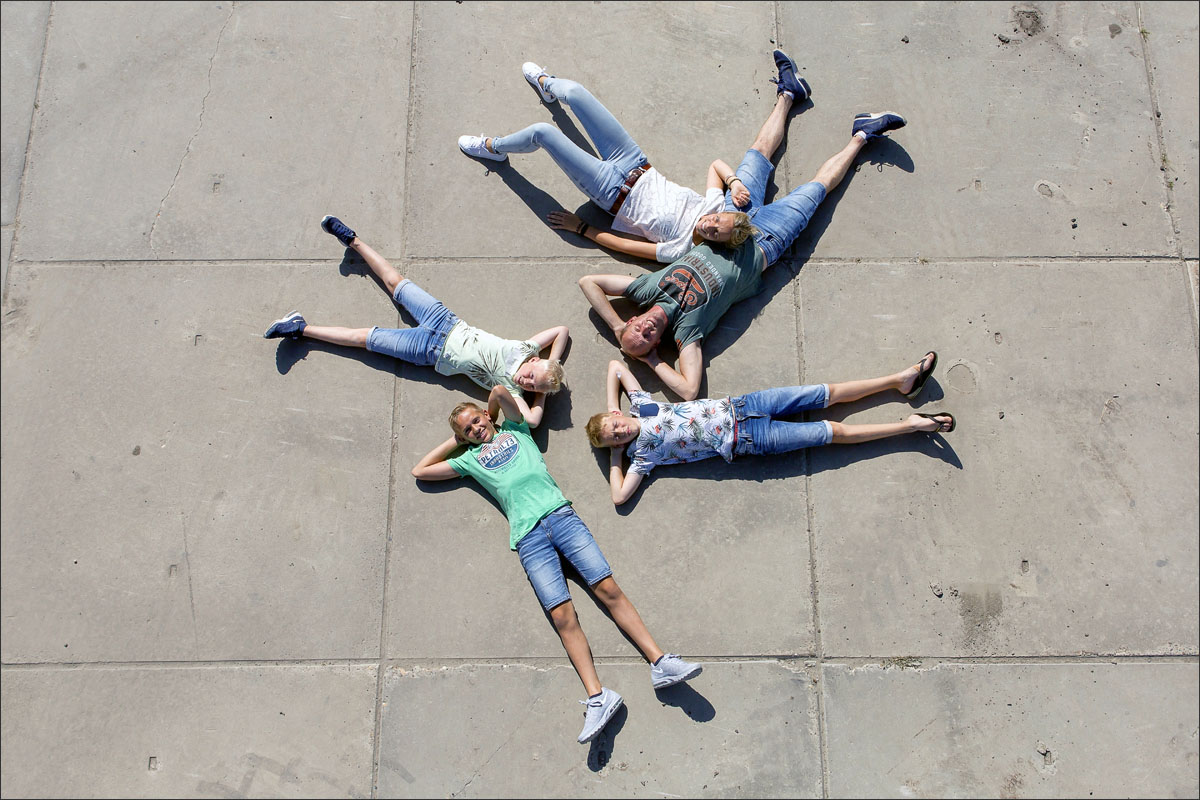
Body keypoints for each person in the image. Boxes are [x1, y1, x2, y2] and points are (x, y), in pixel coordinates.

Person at [412, 384, 703, 744]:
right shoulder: (468, 460)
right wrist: (456, 440)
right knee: (562, 616)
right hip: (528, 538)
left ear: (486, 416)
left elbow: (501, 391)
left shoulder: (516, 429)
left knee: (607, 588)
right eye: (467, 431)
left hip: (561, 516)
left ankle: (661, 663)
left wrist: (489, 415)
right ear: (463, 439)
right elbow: (420, 471)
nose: (475, 430)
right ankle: (598, 697)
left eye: (476, 421)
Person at [456, 51, 904, 271]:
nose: (709, 225)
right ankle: (550, 85)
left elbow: (630, 247)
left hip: (610, 192)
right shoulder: (714, 210)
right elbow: (714, 166)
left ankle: (493, 148)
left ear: (715, 243)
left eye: (713, 230)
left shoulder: (683, 250)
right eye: (717, 222)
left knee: (543, 134)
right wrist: (731, 181)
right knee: (575, 93)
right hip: (634, 160)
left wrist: (585, 229)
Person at [264, 216, 568, 426]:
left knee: (364, 339)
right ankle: (352, 240)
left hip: (428, 352)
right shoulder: (524, 349)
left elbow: (533, 420)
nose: (525, 381)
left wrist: (540, 392)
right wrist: (550, 364)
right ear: (533, 359)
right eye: (531, 375)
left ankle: (300, 328)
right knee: (395, 283)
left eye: (531, 385)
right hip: (446, 322)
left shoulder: (513, 392)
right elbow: (562, 331)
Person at [586, 355, 954, 505]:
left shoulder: (641, 404)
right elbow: (619, 497)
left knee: (828, 393)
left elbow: (615, 366)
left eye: (613, 426)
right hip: (748, 440)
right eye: (613, 437)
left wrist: (613, 404)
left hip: (746, 404)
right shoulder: (642, 458)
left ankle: (900, 381)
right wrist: (618, 457)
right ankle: (907, 427)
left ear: (614, 415)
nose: (619, 431)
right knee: (832, 432)